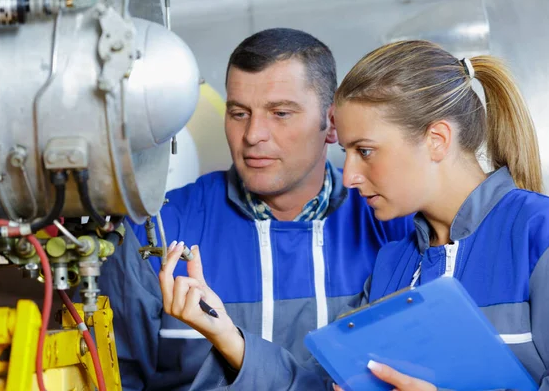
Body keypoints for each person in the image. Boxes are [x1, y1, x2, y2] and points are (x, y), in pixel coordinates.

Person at [160, 39, 549, 390]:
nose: (349, 177)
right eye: (347, 153)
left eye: (365, 152)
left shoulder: (545, 238)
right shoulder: (394, 264)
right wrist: (225, 334)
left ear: (437, 140)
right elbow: (319, 383)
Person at [98, 28, 413, 391]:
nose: (253, 135)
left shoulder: (394, 225)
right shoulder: (156, 231)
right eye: (239, 113)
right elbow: (111, 379)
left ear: (331, 124)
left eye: (280, 113)